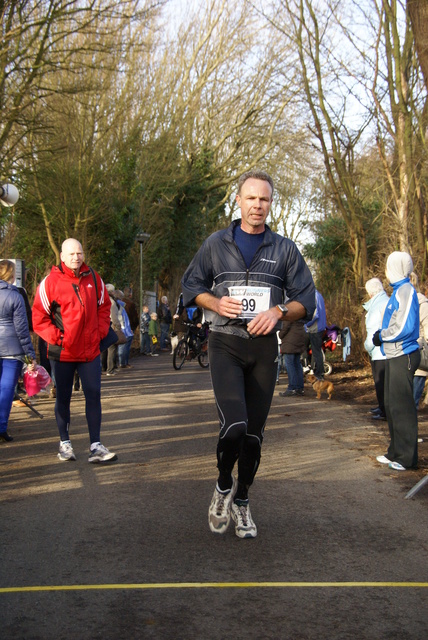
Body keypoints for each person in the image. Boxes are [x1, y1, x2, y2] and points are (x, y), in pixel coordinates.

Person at [181, 169, 315, 539]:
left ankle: (242, 499)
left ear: (271, 204)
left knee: (253, 436)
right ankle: (224, 485)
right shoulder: (215, 244)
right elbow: (191, 285)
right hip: (225, 343)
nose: (257, 205)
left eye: (264, 199)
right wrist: (214, 302)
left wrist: (279, 311)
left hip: (262, 349)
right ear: (237, 201)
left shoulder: (285, 249)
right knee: (235, 425)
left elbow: (306, 298)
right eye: (251, 198)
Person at [32, 238, 117, 463]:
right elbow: (39, 318)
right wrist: (58, 338)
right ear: (62, 256)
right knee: (63, 398)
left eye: (79, 253)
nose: (76, 257)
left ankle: (96, 446)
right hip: (63, 352)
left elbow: (104, 307)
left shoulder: (95, 278)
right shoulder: (49, 283)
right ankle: (65, 444)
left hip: (90, 351)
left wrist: (98, 333)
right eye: (71, 254)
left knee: (94, 395)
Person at [373, 252, 420, 471]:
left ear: (396, 268)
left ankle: (407, 458)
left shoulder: (406, 291)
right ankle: (395, 451)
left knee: (403, 407)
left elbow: (405, 327)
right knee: (391, 405)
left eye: (388, 266)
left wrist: (381, 335)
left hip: (405, 354)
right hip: (393, 354)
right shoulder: (397, 291)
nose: (385, 270)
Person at [0, 260, 36, 442]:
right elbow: (22, 329)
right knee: (6, 390)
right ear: (12, 275)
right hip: (12, 350)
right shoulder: (15, 296)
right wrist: (30, 355)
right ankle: (1, 428)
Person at [362, 278, 389, 420]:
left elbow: (373, 328)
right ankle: (382, 407)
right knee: (383, 383)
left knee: (380, 382)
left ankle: (384, 411)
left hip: (379, 351)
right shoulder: (385, 300)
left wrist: (368, 345)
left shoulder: (378, 305)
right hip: (383, 350)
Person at [409, 272, 428, 409]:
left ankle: (409, 428)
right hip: (405, 355)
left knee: (412, 399)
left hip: (419, 354)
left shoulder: (422, 304)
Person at [278, 319, 306, 397]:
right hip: (300, 337)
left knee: (290, 365)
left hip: (290, 340)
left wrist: (280, 334)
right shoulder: (300, 312)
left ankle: (292, 388)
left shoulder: (289, 312)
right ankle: (300, 388)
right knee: (297, 364)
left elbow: (285, 326)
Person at [304, 289, 327, 380]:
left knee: (316, 352)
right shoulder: (318, 294)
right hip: (320, 327)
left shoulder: (313, 296)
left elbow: (315, 314)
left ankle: (319, 373)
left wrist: (306, 324)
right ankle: (318, 372)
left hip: (315, 328)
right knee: (316, 351)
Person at [115, 290, 134, 368]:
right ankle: (122, 363)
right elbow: (120, 318)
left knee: (125, 347)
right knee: (123, 347)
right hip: (124, 329)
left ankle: (124, 362)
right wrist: (123, 328)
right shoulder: (119, 305)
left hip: (126, 329)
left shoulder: (121, 305)